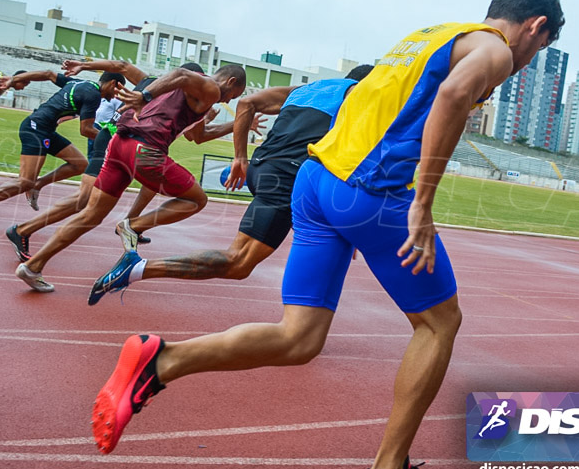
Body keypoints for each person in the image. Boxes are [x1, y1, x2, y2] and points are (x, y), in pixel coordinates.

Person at [89, 0, 564, 469]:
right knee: (439, 322)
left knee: (299, 338)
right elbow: (454, 95)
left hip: (315, 183)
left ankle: (160, 361)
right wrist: (423, 204)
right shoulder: (494, 48)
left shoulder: (432, 34)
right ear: (534, 26)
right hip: (371, 192)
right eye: (538, 49)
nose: (527, 60)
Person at [87, 64, 374, 305]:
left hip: (262, 169)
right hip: (286, 177)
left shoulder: (307, 89)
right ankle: (137, 268)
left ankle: (309, 319)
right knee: (238, 263)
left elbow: (248, 103)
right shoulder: (359, 95)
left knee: (316, 231)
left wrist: (240, 158)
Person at [13, 63, 247, 291]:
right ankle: (133, 225)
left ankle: (33, 266)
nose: (227, 101)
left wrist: (240, 123)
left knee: (90, 214)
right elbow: (182, 73)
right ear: (230, 81)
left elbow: (199, 136)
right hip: (145, 149)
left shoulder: (182, 92)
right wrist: (144, 96)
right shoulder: (210, 87)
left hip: (118, 144)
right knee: (197, 199)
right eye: (233, 95)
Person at [3, 61, 202, 262]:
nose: (198, 88)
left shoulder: (150, 82)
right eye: (197, 83)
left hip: (118, 141)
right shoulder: (174, 94)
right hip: (117, 141)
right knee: (84, 202)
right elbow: (199, 136)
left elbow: (122, 66)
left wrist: (82, 65)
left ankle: (132, 224)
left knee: (90, 202)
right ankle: (23, 231)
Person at [0, 68, 126, 228]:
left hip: (45, 129)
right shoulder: (93, 95)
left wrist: (14, 79)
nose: (117, 96)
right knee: (25, 181)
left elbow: (48, 74)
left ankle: (37, 186)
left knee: (79, 164)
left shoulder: (81, 83)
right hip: (36, 129)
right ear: (113, 83)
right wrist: (113, 141)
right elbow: (86, 130)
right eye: (118, 90)